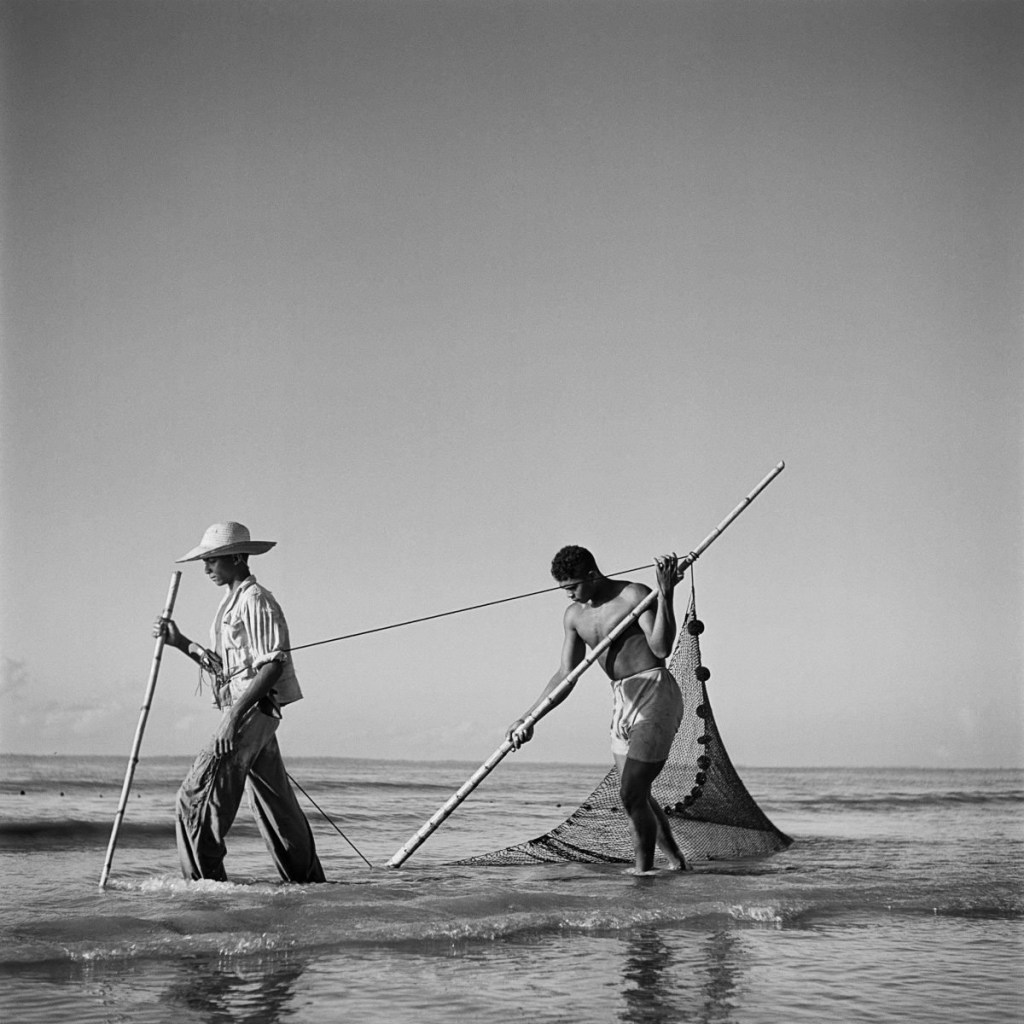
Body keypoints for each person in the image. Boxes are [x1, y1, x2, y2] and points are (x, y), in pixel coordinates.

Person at [154, 521, 325, 883]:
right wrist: (181, 642)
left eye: (212, 560)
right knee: (274, 806)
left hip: (250, 713)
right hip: (252, 713)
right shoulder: (230, 603)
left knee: (193, 799)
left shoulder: (255, 599)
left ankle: (205, 889)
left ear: (235, 557)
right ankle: (308, 884)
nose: (206, 569)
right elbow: (226, 668)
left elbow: (273, 666)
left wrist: (232, 718)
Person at [506, 545, 688, 874]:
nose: (569, 596)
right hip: (622, 700)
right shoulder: (574, 616)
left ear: (592, 575)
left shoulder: (633, 595)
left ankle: (642, 875)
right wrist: (529, 717)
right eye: (563, 590)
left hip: (655, 691)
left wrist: (665, 594)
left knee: (631, 791)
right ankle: (677, 863)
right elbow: (566, 674)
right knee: (639, 794)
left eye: (573, 587)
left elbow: (661, 648)